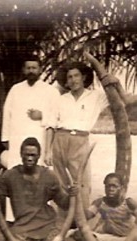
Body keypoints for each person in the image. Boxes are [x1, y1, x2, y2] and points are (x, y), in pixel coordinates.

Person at [45, 61, 134, 211]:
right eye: (70, 77)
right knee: (60, 183)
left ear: (84, 77)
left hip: (80, 140)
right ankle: (64, 220)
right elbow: (50, 125)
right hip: (60, 139)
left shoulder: (96, 96)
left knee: (81, 183)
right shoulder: (61, 99)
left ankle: (82, 221)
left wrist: (117, 83)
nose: (73, 80)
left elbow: (123, 101)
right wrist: (48, 150)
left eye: (76, 76)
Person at [0, 137, 78, 241]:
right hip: (22, 228)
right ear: (21, 155)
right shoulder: (10, 176)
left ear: (39, 156)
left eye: (33, 155)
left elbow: (63, 203)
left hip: (47, 225)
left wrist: (72, 195)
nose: (30, 158)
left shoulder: (49, 176)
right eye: (26, 155)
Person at [1, 56, 61, 169]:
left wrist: (42, 116)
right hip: (17, 138)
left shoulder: (51, 91)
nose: (31, 71)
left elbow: (57, 117)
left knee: (38, 171)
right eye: (28, 68)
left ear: (40, 70)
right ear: (24, 70)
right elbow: (7, 115)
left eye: (34, 68)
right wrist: (5, 138)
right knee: (16, 169)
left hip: (40, 137)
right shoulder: (15, 89)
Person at [71, 173, 137, 241]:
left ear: (122, 188)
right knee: (78, 234)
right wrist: (76, 196)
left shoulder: (129, 203)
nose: (111, 189)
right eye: (108, 186)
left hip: (126, 240)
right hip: (107, 238)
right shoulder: (99, 202)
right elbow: (85, 217)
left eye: (114, 186)